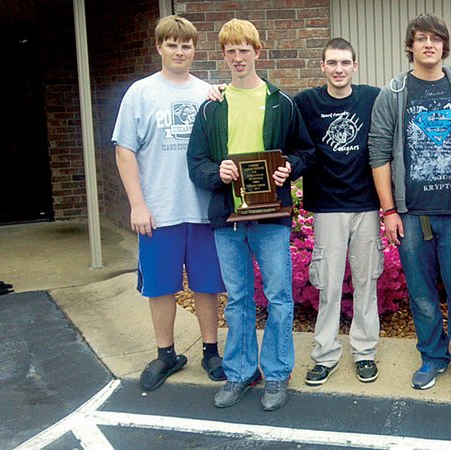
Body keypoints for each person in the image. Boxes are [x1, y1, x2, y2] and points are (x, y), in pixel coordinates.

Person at [187, 18, 314, 412]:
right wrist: (216, 173)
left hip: (271, 216)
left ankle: (276, 374)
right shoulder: (211, 108)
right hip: (228, 215)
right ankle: (240, 372)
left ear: (258, 52)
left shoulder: (281, 102)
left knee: (278, 297)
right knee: (239, 298)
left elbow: (305, 152)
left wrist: (288, 167)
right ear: (223, 55)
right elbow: (196, 163)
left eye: (245, 49)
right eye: (231, 51)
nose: (238, 57)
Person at [368, 13, 451, 392]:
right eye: (421, 38)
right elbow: (378, 152)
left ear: (444, 45)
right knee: (421, 293)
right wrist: (389, 210)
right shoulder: (395, 93)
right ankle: (432, 357)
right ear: (411, 46)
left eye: (436, 38)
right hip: (412, 213)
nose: (429, 44)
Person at [112, 15, 226, 392]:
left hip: (203, 209)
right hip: (158, 211)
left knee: (206, 285)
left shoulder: (208, 93)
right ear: (159, 47)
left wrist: (222, 101)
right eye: (172, 44)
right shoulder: (141, 93)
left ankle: (211, 351)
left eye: (187, 44)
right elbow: (125, 151)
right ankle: (166, 354)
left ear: (195, 49)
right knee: (160, 286)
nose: (180, 51)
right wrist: (137, 204)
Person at [293, 38, 383, 385]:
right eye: (332, 63)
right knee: (328, 287)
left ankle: (364, 352)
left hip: (366, 205)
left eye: (345, 62)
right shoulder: (306, 102)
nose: (339, 69)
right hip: (328, 207)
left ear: (355, 66)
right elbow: (270, 103)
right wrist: (221, 89)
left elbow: (409, 96)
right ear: (322, 67)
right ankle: (325, 354)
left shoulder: (373, 97)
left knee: (366, 282)